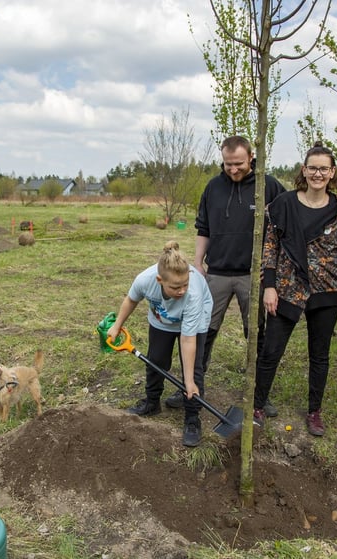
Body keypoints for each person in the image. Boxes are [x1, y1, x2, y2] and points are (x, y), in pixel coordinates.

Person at [166, 135, 285, 416]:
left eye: (239, 164)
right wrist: (198, 264)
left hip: (252, 275)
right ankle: (190, 385)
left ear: (252, 157)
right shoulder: (213, 188)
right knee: (202, 331)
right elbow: (202, 227)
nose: (233, 169)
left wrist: (272, 270)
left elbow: (283, 226)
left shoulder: (268, 186)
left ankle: (259, 395)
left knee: (256, 334)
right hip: (216, 273)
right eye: (228, 164)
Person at [253, 141, 337, 436]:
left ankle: (314, 412)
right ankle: (257, 405)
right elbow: (270, 246)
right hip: (287, 286)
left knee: (319, 353)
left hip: (327, 288)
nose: (318, 174)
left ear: (332, 172)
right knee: (271, 350)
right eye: (313, 168)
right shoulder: (283, 204)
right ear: (303, 170)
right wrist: (269, 286)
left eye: (324, 168)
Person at [107, 241, 213, 447]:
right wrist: (117, 326)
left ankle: (192, 418)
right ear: (159, 280)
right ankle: (151, 402)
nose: (182, 290)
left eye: (185, 284)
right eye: (175, 287)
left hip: (194, 320)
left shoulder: (193, 294)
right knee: (155, 360)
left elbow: (188, 339)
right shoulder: (145, 280)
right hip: (162, 318)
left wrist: (189, 381)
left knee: (193, 369)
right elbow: (131, 300)